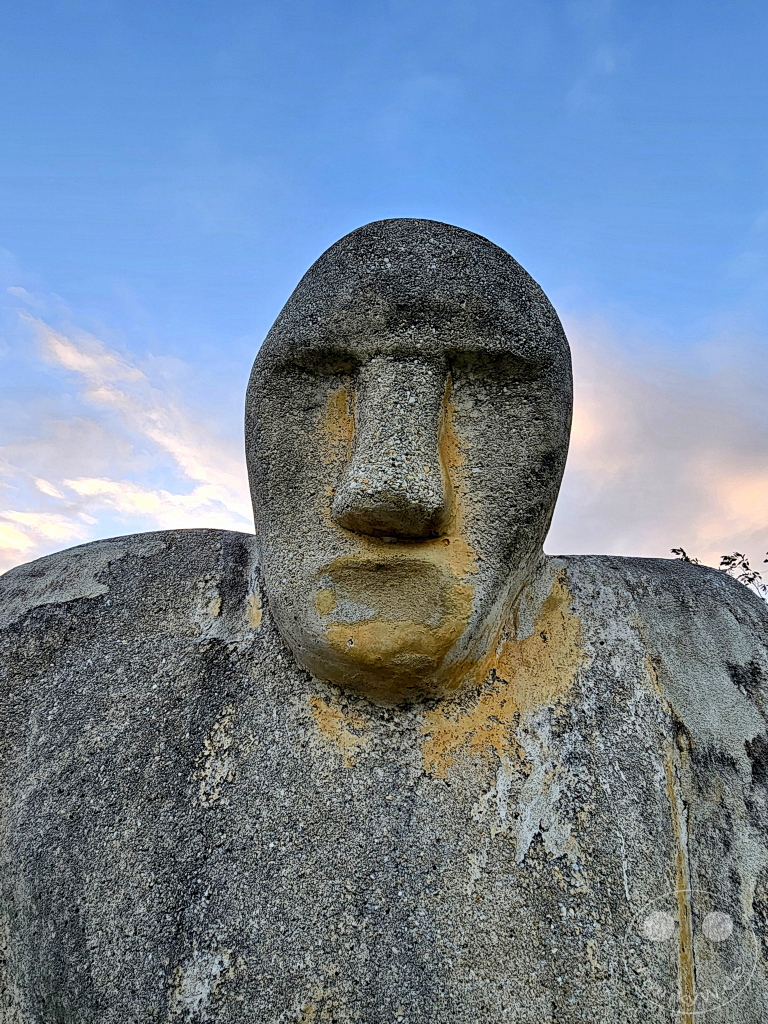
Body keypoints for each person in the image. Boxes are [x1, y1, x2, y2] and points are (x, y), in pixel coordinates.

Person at [1, 219, 766, 1023]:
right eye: (324, 376)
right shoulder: (59, 650)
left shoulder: (701, 659)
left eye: (487, 386)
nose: (391, 488)